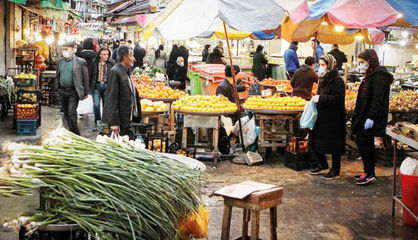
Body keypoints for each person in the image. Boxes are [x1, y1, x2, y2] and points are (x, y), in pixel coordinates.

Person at [351, 49, 393, 185]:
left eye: (363, 62)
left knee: (363, 142)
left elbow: (377, 98)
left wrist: (371, 117)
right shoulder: (371, 74)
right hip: (366, 114)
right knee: (366, 143)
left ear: (370, 61)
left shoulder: (379, 76)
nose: (361, 65)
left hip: (371, 116)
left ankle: (369, 172)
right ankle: (368, 172)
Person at [309, 54, 346, 179]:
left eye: (323, 65)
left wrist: (321, 98)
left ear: (330, 65)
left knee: (334, 145)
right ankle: (322, 163)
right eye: (320, 64)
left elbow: (339, 98)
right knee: (316, 140)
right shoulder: (323, 78)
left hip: (334, 117)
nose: (321, 67)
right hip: (322, 115)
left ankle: (335, 169)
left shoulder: (337, 80)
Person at [102, 45, 141, 140]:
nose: (134, 59)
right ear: (125, 57)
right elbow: (111, 98)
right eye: (132, 56)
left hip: (126, 118)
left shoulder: (125, 71)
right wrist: (114, 122)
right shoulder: (115, 72)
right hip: (119, 120)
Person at [55, 41, 89, 135]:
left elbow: (85, 77)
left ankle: (75, 133)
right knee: (66, 113)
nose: (64, 52)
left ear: (72, 49)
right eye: (63, 50)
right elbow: (58, 75)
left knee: (71, 112)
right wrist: (57, 87)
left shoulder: (80, 62)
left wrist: (85, 92)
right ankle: (69, 131)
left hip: (73, 91)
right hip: (62, 90)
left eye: (66, 49)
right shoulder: (60, 61)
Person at [89, 48, 115, 128]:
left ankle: (105, 122)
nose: (106, 56)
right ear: (99, 55)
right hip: (97, 85)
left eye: (107, 54)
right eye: (104, 54)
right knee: (96, 105)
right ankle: (97, 122)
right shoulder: (94, 62)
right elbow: (90, 74)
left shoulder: (111, 63)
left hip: (107, 86)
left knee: (106, 105)